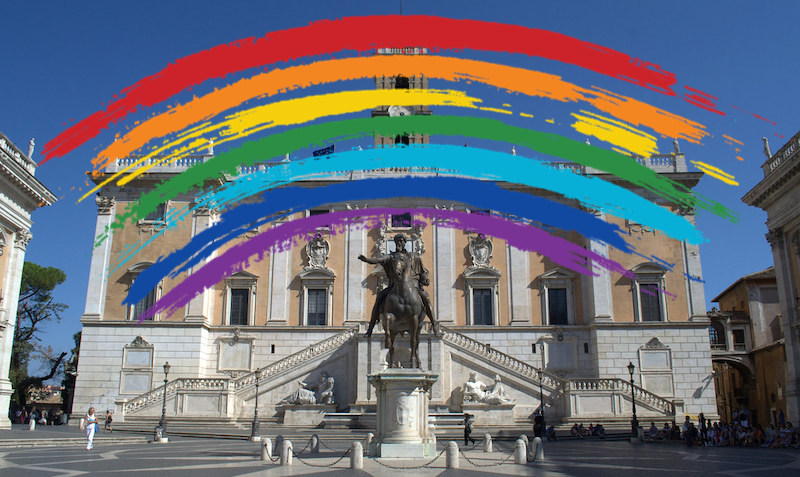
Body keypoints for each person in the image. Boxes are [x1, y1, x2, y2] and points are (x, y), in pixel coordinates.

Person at [359, 234, 439, 338]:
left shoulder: (414, 257)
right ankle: (370, 329)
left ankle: (434, 325)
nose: (399, 243)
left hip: (413, 286)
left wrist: (425, 278)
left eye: (401, 241)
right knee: (379, 299)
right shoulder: (391, 257)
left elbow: (422, 272)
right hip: (393, 286)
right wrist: (367, 260)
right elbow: (378, 260)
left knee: (426, 298)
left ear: (405, 243)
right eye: (397, 241)